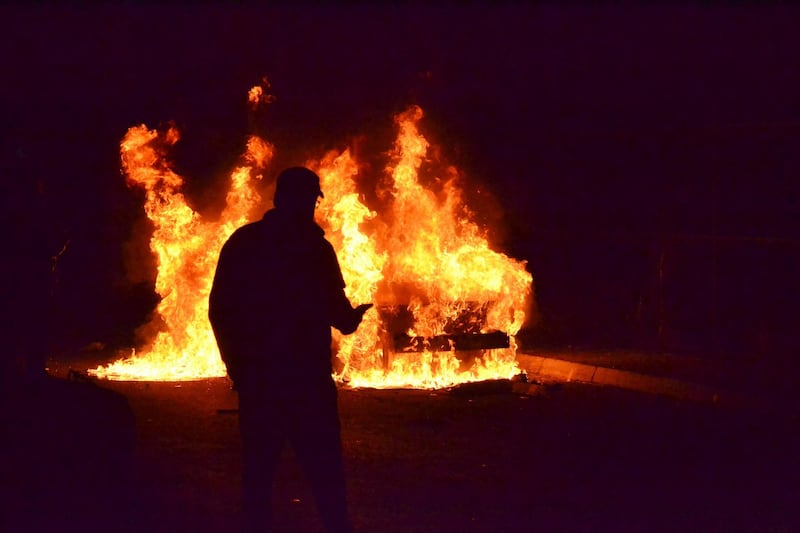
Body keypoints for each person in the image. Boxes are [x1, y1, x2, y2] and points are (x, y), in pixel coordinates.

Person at [209, 166, 372, 532]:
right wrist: (355, 317)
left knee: (258, 477)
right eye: (312, 200)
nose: (312, 207)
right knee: (325, 474)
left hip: (260, 382)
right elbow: (340, 317)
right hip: (308, 383)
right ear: (301, 200)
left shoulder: (243, 242)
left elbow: (219, 310)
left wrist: (237, 366)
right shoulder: (315, 248)